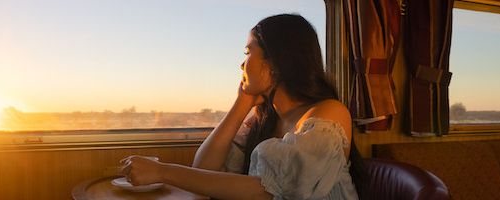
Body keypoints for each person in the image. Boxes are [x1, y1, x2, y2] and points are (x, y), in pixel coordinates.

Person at [121, 14, 367, 200]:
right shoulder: (265, 119)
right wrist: (242, 103)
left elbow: (265, 190)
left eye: (248, 51)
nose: (242, 63)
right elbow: (204, 167)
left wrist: (163, 172)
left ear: (275, 61)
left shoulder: (329, 113)